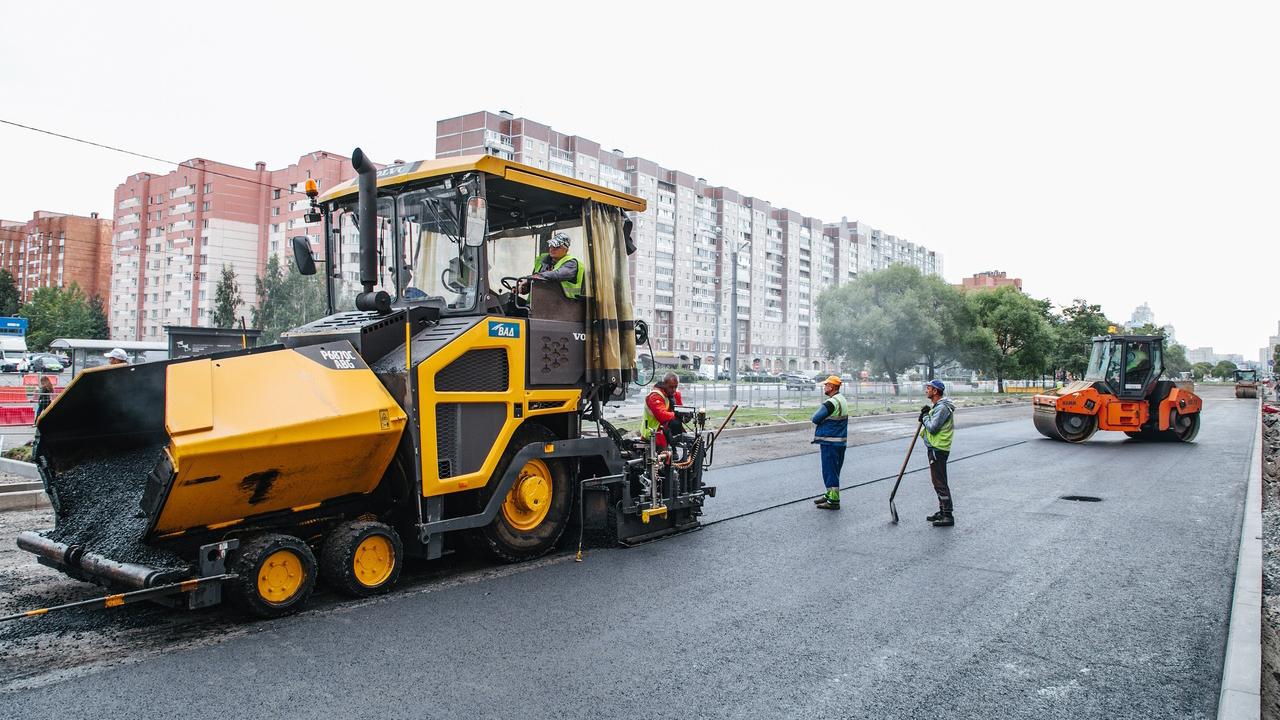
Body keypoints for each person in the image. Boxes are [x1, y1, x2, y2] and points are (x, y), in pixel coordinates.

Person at [919, 379, 956, 527]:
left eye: (928, 388)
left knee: (939, 482)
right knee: (938, 481)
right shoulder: (939, 406)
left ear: (935, 391)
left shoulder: (942, 408)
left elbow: (933, 427)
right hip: (936, 447)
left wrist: (925, 417)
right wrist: (926, 416)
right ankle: (942, 511)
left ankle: (947, 515)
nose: (926, 390)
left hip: (938, 448)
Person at [811, 375, 849, 510]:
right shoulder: (842, 399)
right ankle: (829, 494)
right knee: (834, 469)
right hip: (840, 441)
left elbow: (815, 418)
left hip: (830, 441)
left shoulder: (831, 402)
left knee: (829, 470)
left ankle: (833, 500)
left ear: (832, 387)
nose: (824, 387)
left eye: (826, 385)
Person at [519, 232, 583, 299]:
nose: (552, 249)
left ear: (566, 250)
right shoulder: (544, 262)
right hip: (544, 303)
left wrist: (529, 278)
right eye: (551, 246)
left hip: (566, 304)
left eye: (557, 247)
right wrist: (525, 287)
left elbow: (556, 275)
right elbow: (538, 282)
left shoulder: (571, 263)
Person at [642, 372, 685, 450]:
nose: (674, 390)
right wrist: (677, 414)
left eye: (676, 387)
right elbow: (662, 415)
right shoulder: (655, 396)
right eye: (671, 387)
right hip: (653, 432)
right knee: (666, 458)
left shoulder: (673, 394)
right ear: (664, 384)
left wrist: (685, 416)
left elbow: (679, 410)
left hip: (665, 431)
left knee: (689, 442)